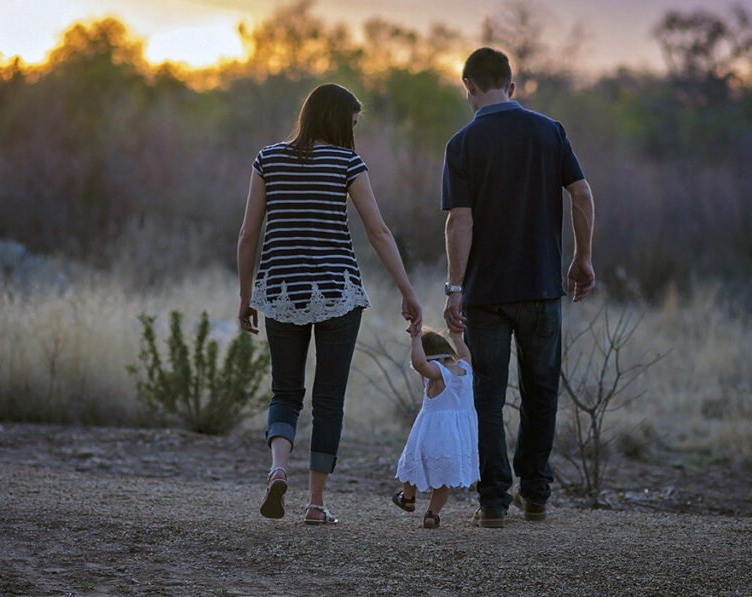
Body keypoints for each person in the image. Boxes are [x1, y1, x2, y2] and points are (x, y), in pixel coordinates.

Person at [237, 83, 422, 525]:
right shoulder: (347, 163)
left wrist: (246, 297)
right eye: (352, 123)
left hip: (280, 291)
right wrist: (407, 291)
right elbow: (378, 232)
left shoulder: (268, 159)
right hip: (338, 292)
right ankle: (316, 504)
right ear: (339, 121)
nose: (353, 132)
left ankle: (279, 467)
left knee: (285, 391)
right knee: (329, 400)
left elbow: (248, 234)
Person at [440, 48, 596, 528]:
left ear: (468, 87)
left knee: (486, 395)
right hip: (542, 286)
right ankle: (536, 493)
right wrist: (582, 257)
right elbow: (582, 194)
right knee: (541, 390)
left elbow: (459, 222)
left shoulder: (462, 144)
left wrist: (454, 287)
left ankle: (492, 502)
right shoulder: (550, 132)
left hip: (486, 293)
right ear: (512, 85)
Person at [392, 326, 479, 528]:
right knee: (444, 479)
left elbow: (420, 364)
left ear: (431, 357)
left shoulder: (438, 373)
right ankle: (432, 514)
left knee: (411, 464)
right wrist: (456, 336)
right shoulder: (465, 368)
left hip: (431, 433)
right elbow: (465, 353)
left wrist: (415, 340)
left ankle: (408, 498)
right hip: (457, 438)